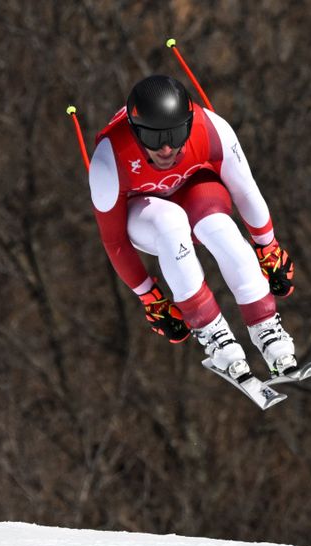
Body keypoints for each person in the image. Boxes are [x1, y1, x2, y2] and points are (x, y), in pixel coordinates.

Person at [87, 74, 298, 377]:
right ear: (134, 132)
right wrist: (151, 297)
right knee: (170, 223)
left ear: (189, 123)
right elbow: (115, 240)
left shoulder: (211, 128)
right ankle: (215, 335)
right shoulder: (109, 160)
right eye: (153, 137)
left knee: (223, 231)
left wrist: (268, 247)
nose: (166, 149)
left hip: (195, 190)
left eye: (175, 134)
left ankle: (266, 328)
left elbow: (245, 190)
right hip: (145, 212)